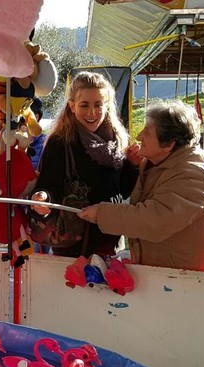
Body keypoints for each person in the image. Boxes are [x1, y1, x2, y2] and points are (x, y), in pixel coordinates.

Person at [78, 99, 204, 274]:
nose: (139, 136)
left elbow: (154, 220)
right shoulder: (154, 163)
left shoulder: (194, 174)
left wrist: (102, 214)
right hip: (174, 277)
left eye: (147, 132)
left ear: (169, 144)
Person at [30, 71, 137, 258]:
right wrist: (43, 199)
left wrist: (133, 166)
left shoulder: (117, 139)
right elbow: (48, 184)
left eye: (98, 105)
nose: (92, 113)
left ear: (107, 106)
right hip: (72, 244)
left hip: (110, 240)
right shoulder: (59, 142)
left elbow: (123, 190)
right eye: (84, 105)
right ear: (72, 106)